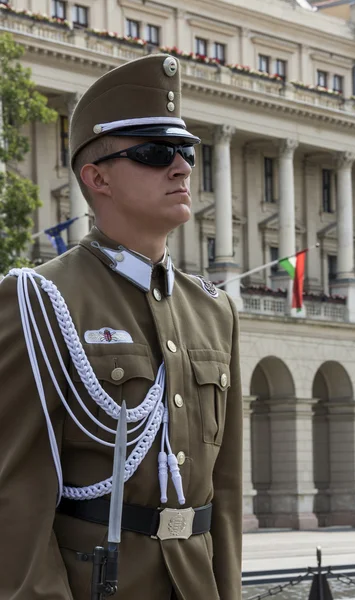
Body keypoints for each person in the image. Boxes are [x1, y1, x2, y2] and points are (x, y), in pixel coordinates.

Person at [0, 53, 243, 600]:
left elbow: (222, 494)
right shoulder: (40, 299)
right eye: (156, 153)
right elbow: (14, 493)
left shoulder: (214, 310)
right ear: (97, 177)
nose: (181, 168)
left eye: (185, 152)